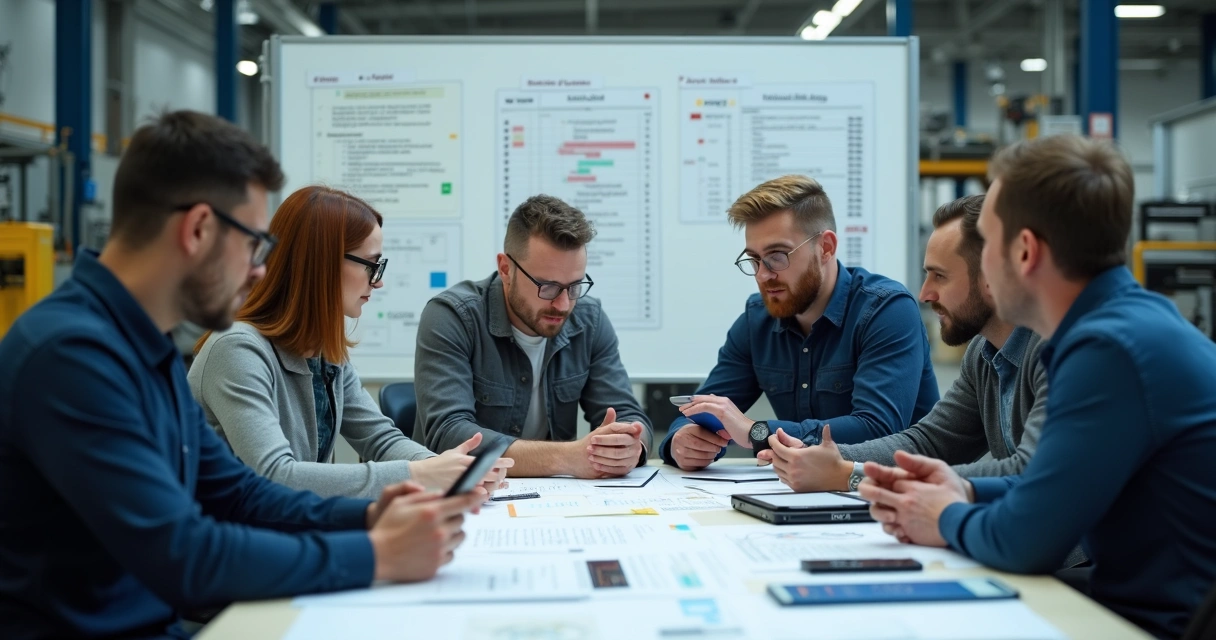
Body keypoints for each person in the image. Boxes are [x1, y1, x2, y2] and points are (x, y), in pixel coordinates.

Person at [0, 111, 480, 639]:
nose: (259, 270)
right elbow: (184, 554)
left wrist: (369, 518)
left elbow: (238, 494)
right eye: (254, 244)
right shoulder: (72, 356)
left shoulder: (144, 345)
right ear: (198, 229)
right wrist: (375, 554)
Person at [859, 135, 1216, 640]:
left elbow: (1026, 540)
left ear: (1025, 251)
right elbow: (1049, 486)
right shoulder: (1119, 326)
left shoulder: (1109, 349)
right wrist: (965, 489)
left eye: (988, 243)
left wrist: (943, 516)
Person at [190, 185, 511, 499]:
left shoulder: (324, 352)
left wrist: (450, 470)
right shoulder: (235, 350)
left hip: (292, 523)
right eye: (372, 265)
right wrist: (420, 474)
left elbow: (381, 440)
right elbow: (277, 476)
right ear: (323, 263)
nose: (379, 281)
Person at [756, 195, 1046, 493]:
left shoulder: (1053, 349)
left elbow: (1032, 472)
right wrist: (825, 457)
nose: (925, 294)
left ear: (992, 275)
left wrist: (852, 475)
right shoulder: (983, 353)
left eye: (940, 276)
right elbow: (928, 443)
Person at [660, 175, 939, 470]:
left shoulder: (886, 310)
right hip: (806, 487)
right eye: (754, 259)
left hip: (901, 488)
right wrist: (683, 441)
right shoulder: (757, 320)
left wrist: (757, 432)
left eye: (777, 256)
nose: (762, 275)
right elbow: (702, 408)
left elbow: (878, 429)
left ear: (826, 247)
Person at [415, 194, 652, 478]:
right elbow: (448, 434)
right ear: (506, 269)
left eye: (575, 286)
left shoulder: (589, 319)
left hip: (555, 497)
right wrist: (566, 458)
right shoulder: (452, 316)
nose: (563, 304)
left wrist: (630, 446)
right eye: (548, 287)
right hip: (462, 493)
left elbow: (628, 415)